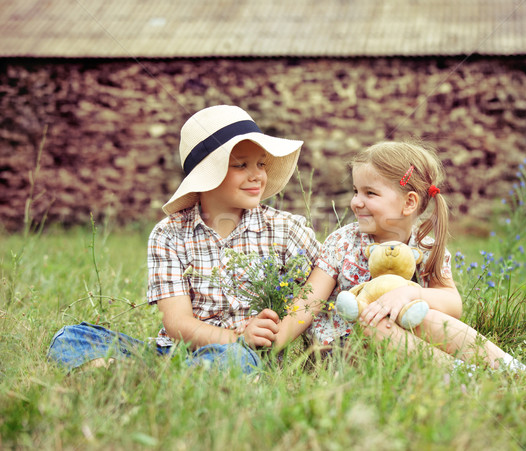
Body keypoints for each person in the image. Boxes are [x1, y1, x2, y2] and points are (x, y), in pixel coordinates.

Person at [47, 105, 321, 374]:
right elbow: (177, 323)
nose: (257, 175)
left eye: (261, 163)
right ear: (207, 175)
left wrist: (256, 339)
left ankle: (137, 377)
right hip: (174, 353)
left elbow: (329, 275)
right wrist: (237, 337)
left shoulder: (285, 229)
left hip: (243, 356)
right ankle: (165, 375)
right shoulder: (170, 234)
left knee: (237, 360)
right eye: (241, 165)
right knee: (70, 338)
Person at [275, 139, 526, 378]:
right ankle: (464, 377)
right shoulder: (343, 242)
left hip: (400, 348)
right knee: (374, 326)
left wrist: (410, 293)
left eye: (370, 193)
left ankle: (516, 372)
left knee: (431, 319)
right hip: (342, 350)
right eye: (356, 191)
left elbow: (453, 304)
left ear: (409, 203)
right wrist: (270, 347)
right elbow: (308, 303)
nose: (356, 202)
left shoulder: (425, 247)